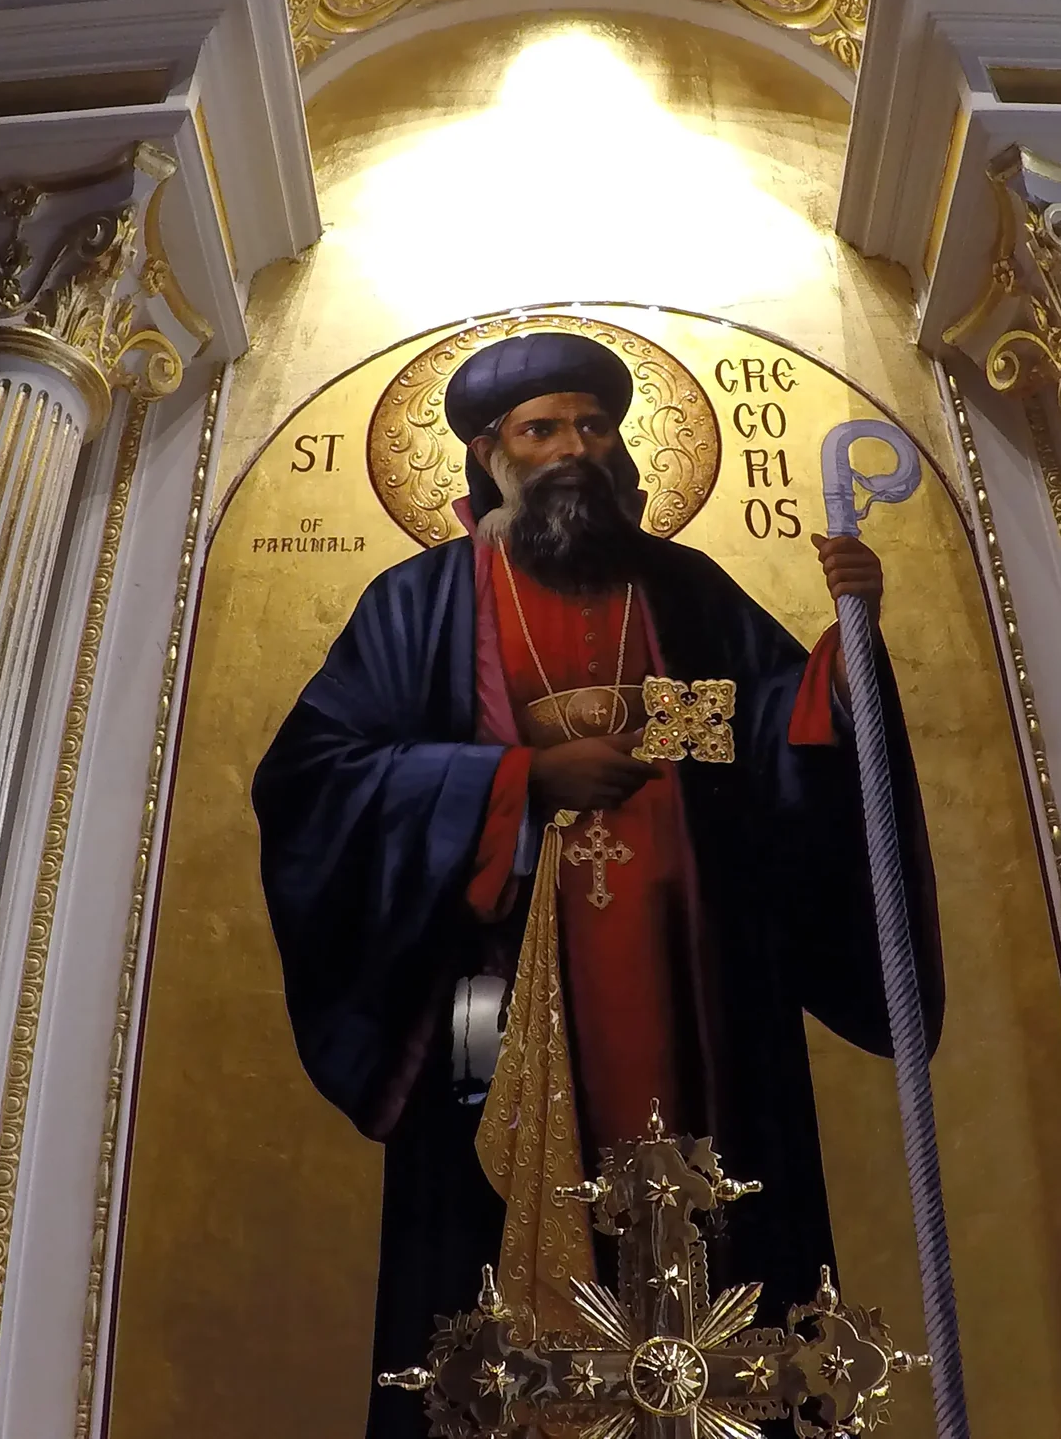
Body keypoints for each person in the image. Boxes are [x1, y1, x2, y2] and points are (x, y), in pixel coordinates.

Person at [252, 332, 940, 1439]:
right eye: (542, 430)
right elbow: (318, 779)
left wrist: (842, 667)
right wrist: (518, 783)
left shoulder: (680, 588)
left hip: (690, 977)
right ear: (489, 454)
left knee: (716, 1235)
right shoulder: (419, 604)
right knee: (486, 1248)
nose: (573, 448)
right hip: (490, 993)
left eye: (590, 424)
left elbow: (752, 738)